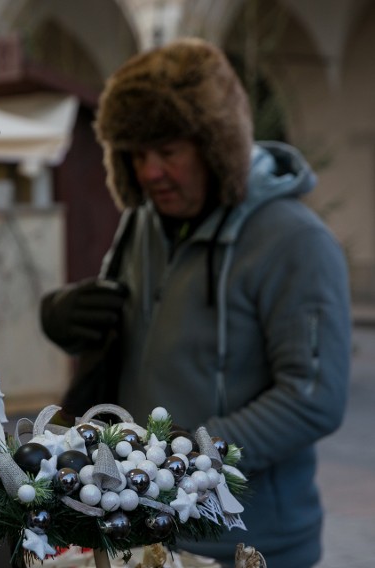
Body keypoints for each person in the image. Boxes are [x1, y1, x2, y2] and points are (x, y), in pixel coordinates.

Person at [40, 38, 351, 568]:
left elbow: (311, 397)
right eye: (136, 153)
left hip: (249, 542)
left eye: (168, 151)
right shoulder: (142, 221)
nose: (149, 172)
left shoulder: (295, 239)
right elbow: (125, 330)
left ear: (217, 146)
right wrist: (64, 317)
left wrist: (195, 450)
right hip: (143, 526)